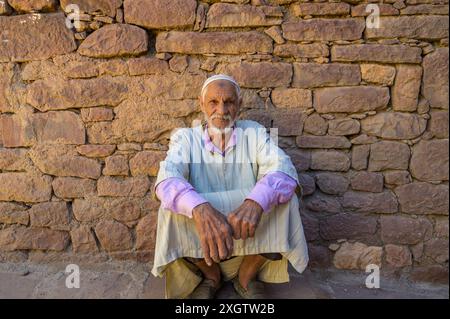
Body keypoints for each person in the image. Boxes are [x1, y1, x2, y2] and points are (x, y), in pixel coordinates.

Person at [151, 74, 309, 299]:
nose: (222, 110)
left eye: (229, 102)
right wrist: (200, 209)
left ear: (239, 105)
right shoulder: (186, 138)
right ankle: (211, 276)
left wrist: (255, 202)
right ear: (201, 104)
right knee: (170, 207)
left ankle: (246, 276)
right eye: (213, 102)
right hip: (204, 244)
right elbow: (167, 178)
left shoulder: (253, 132)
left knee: (285, 199)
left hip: (247, 237)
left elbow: (283, 169)